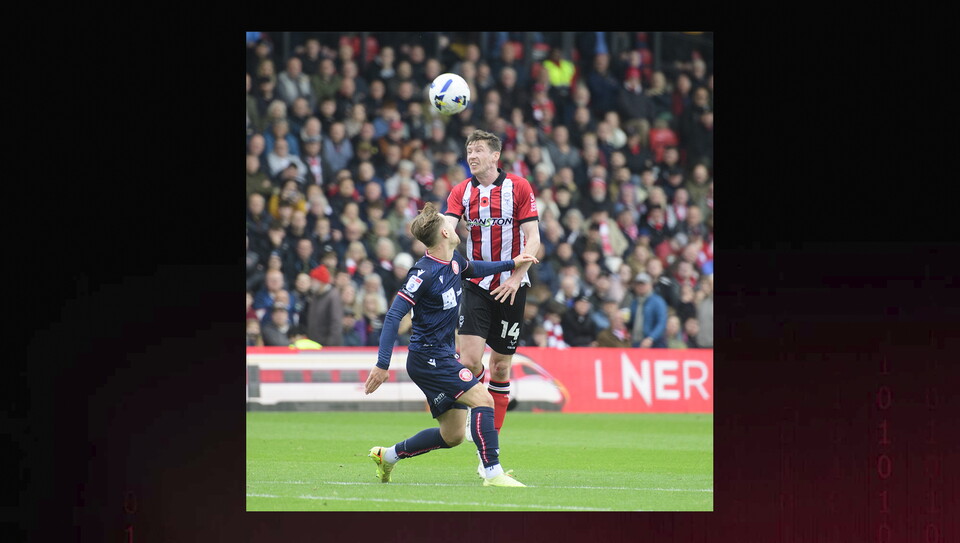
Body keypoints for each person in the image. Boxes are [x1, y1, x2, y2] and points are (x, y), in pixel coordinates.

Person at [365, 202, 537, 487]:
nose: (457, 224)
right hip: (428, 358)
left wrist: (512, 263)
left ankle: (388, 456)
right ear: (445, 232)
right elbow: (395, 314)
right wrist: (382, 364)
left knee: (452, 435)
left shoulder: (454, 261)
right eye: (451, 221)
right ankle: (493, 473)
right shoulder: (423, 273)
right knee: (483, 399)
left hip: (441, 356)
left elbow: (476, 267)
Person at [443, 130, 541, 439]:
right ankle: (478, 395)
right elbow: (447, 227)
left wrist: (514, 278)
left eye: (478, 151)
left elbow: (534, 238)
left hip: (512, 287)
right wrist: (438, 237)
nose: (471, 156)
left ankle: (490, 438)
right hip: (475, 284)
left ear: (495, 156)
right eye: (469, 150)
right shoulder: (461, 191)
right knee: (469, 362)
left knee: (501, 367)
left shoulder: (519, 188)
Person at [301, 264, 343, 347]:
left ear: (320, 281)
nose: (311, 283)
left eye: (313, 280)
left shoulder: (333, 296)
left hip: (327, 346)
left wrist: (330, 345)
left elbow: (336, 323)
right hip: (315, 344)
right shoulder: (314, 296)